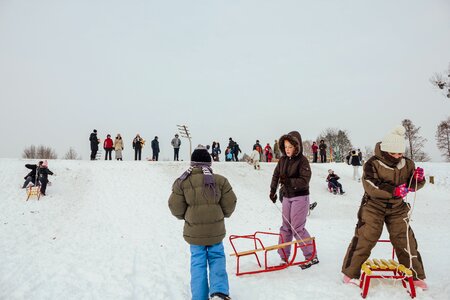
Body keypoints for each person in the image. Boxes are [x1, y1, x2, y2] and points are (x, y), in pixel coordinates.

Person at [341, 125, 427, 290]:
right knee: (367, 236)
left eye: (400, 153)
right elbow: (370, 184)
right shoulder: (373, 163)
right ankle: (351, 273)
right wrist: (394, 190)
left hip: (397, 207)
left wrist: (418, 179)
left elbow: (412, 185)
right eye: (393, 153)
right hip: (374, 205)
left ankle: (414, 275)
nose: (397, 156)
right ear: (385, 150)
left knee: (404, 238)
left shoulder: (407, 164)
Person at [168, 145, 237, 300]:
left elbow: (174, 206)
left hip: (194, 232)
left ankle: (199, 296)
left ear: (192, 163)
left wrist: (185, 216)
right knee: (217, 257)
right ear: (209, 163)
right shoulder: (220, 180)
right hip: (215, 230)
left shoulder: (182, 182)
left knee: (198, 262)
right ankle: (219, 291)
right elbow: (230, 202)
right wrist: (223, 214)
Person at [269, 131, 319, 269]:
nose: (287, 150)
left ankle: (311, 255)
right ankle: (284, 257)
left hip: (300, 197)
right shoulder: (283, 160)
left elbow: (305, 180)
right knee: (285, 227)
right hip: (287, 196)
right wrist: (272, 191)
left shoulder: (302, 161)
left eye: (290, 147)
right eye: (285, 147)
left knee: (297, 227)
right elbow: (276, 175)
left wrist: (289, 182)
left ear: (296, 146)